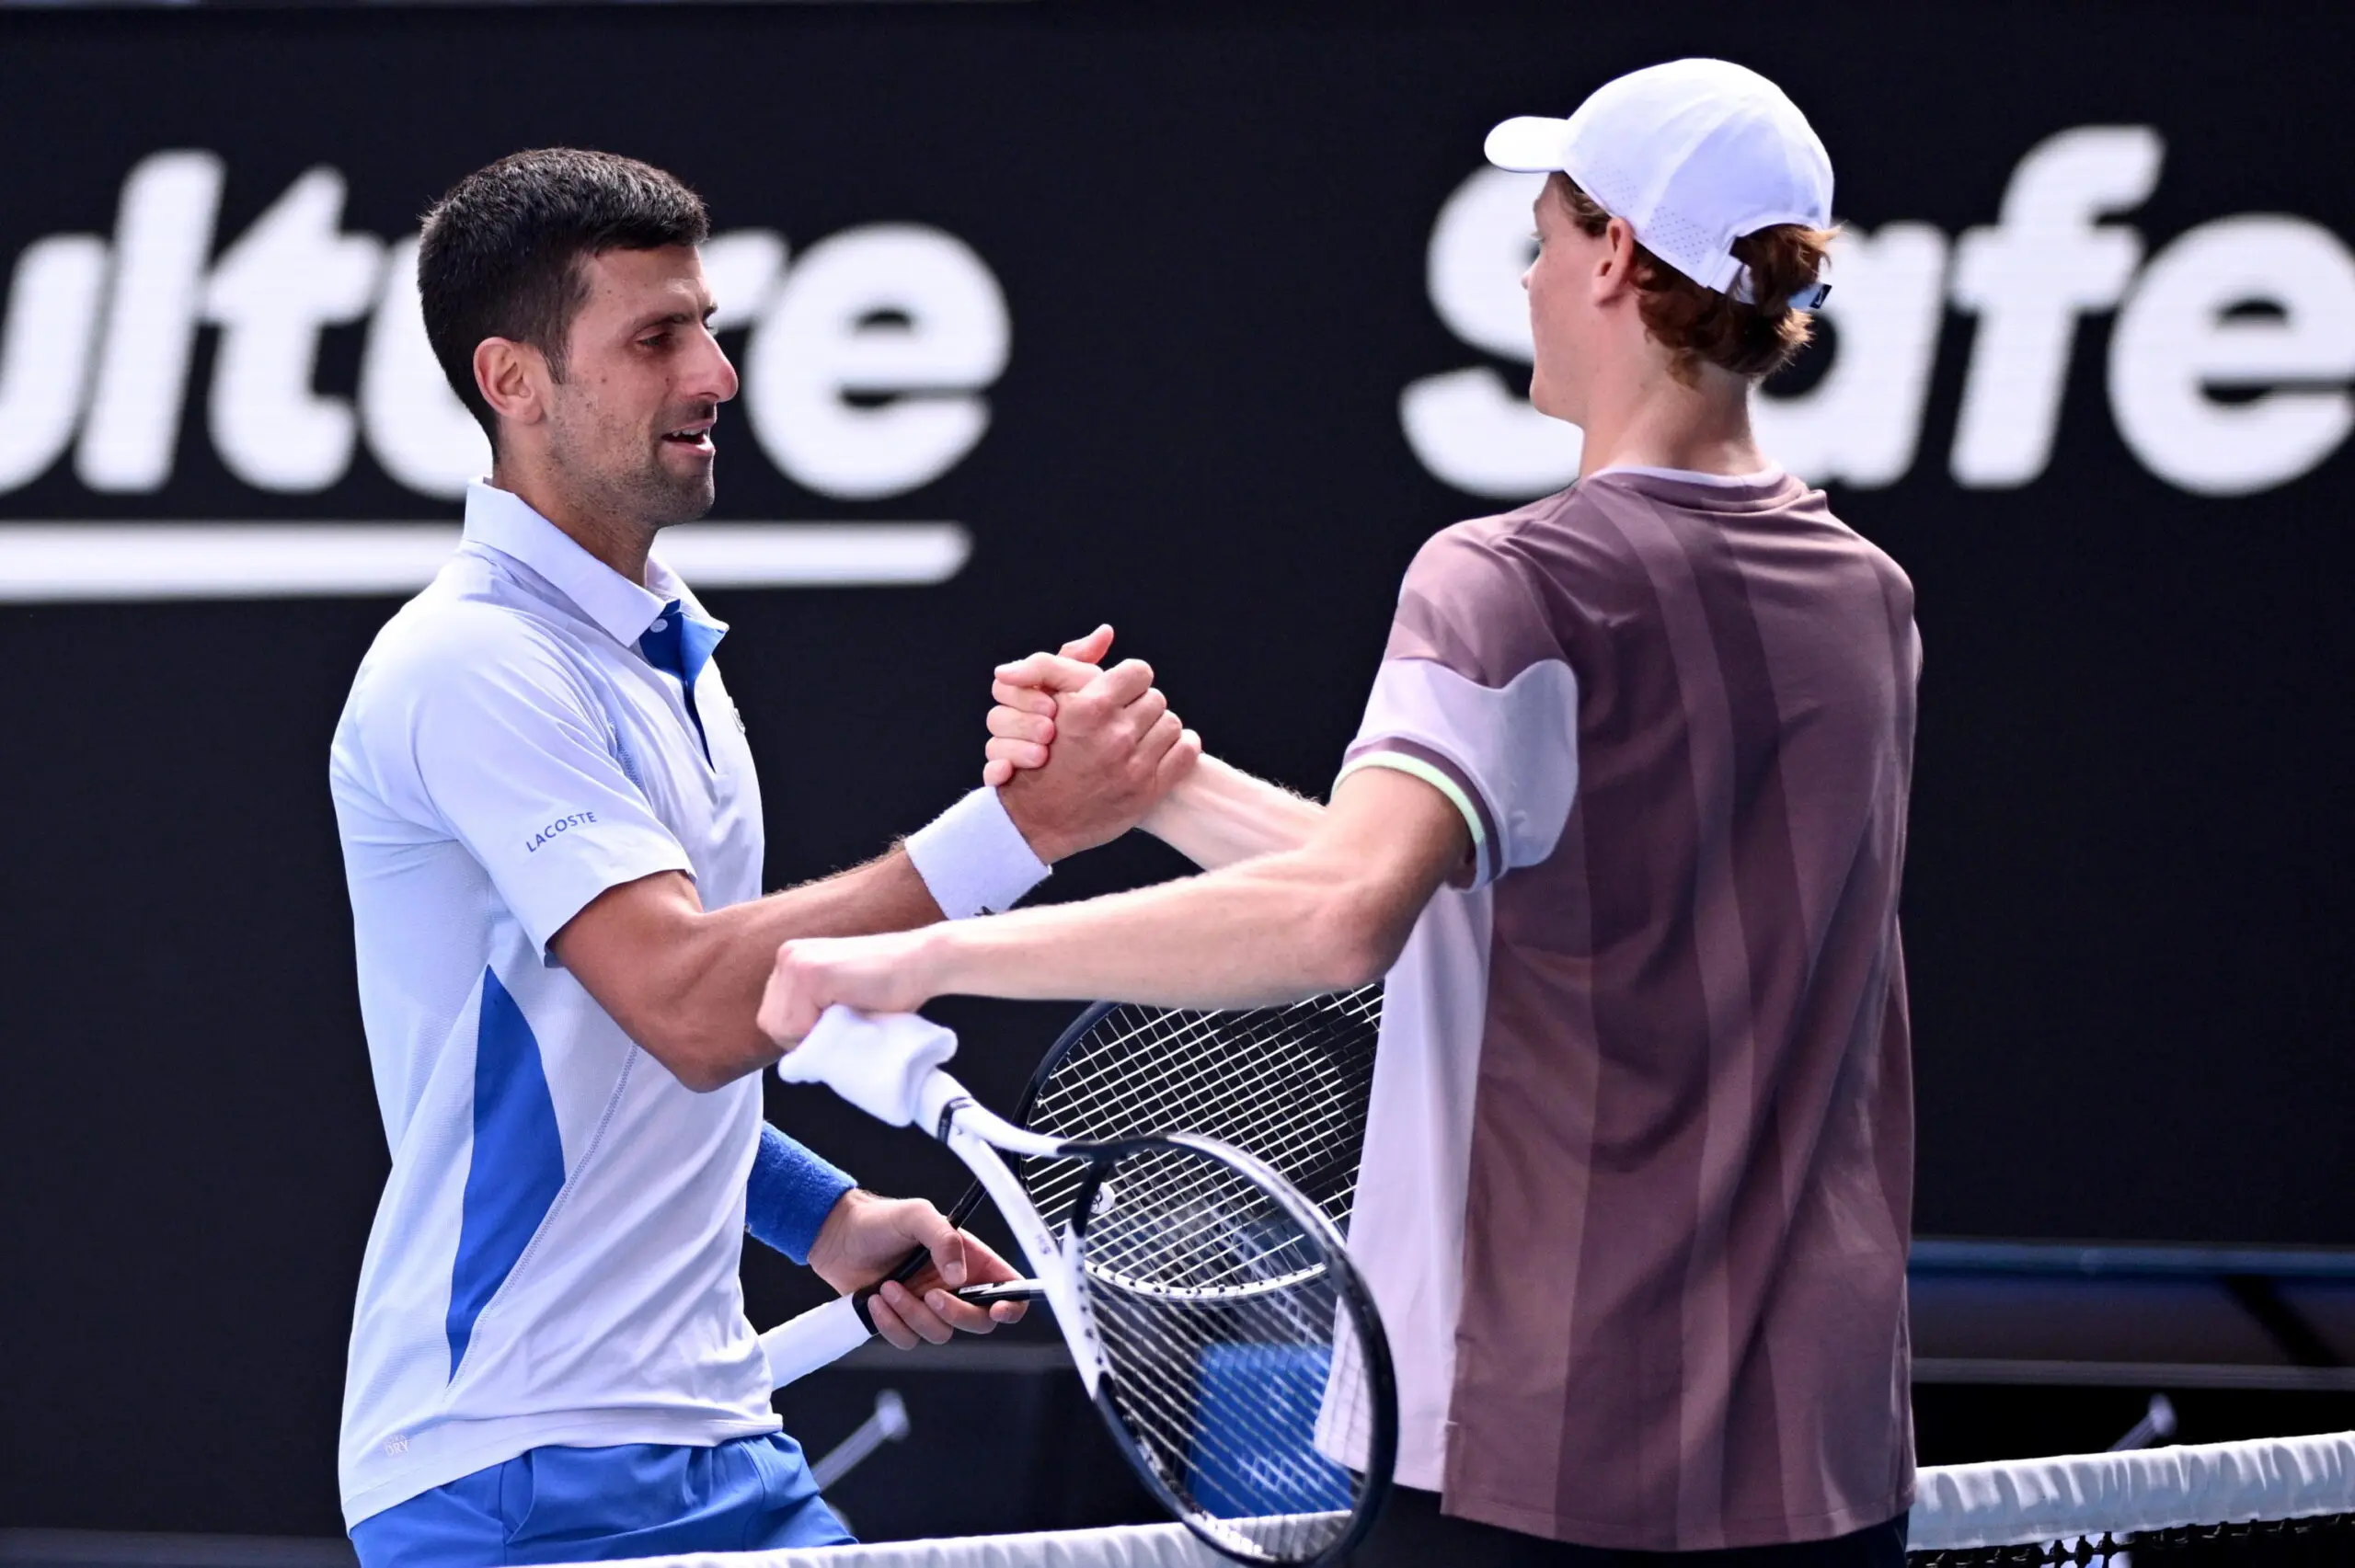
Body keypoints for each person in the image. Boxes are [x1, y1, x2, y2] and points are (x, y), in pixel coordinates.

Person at [759, 61, 1919, 1567]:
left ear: (1617, 258)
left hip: (1528, 1472)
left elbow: (1342, 915)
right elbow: (1489, 891)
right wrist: (1167, 788)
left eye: (1548, 235)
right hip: (1820, 1477)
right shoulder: (1864, 600)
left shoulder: (1513, 581)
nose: (1527, 273)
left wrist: (908, 960)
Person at [328, 149, 1197, 1568]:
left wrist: (826, 1214)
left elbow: (619, 1061)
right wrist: (1016, 834)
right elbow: (681, 999)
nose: (718, 374)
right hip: (515, 1471)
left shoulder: (669, 651)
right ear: (515, 381)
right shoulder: (468, 661)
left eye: (708, 326)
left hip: (719, 1435)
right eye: (656, 337)